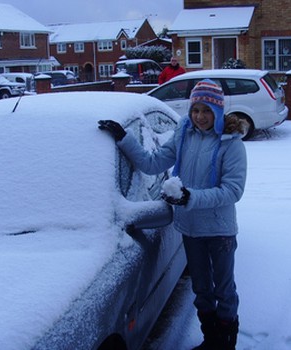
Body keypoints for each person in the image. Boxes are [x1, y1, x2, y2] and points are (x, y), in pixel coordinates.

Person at [98, 79, 247, 350]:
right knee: (202, 290)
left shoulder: (231, 143)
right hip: (190, 229)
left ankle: (226, 345)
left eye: (206, 110)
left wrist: (190, 197)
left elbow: (232, 191)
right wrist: (123, 138)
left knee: (223, 291)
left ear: (218, 111)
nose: (199, 117)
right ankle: (212, 342)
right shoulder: (184, 134)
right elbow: (152, 163)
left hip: (220, 230)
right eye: (195, 110)